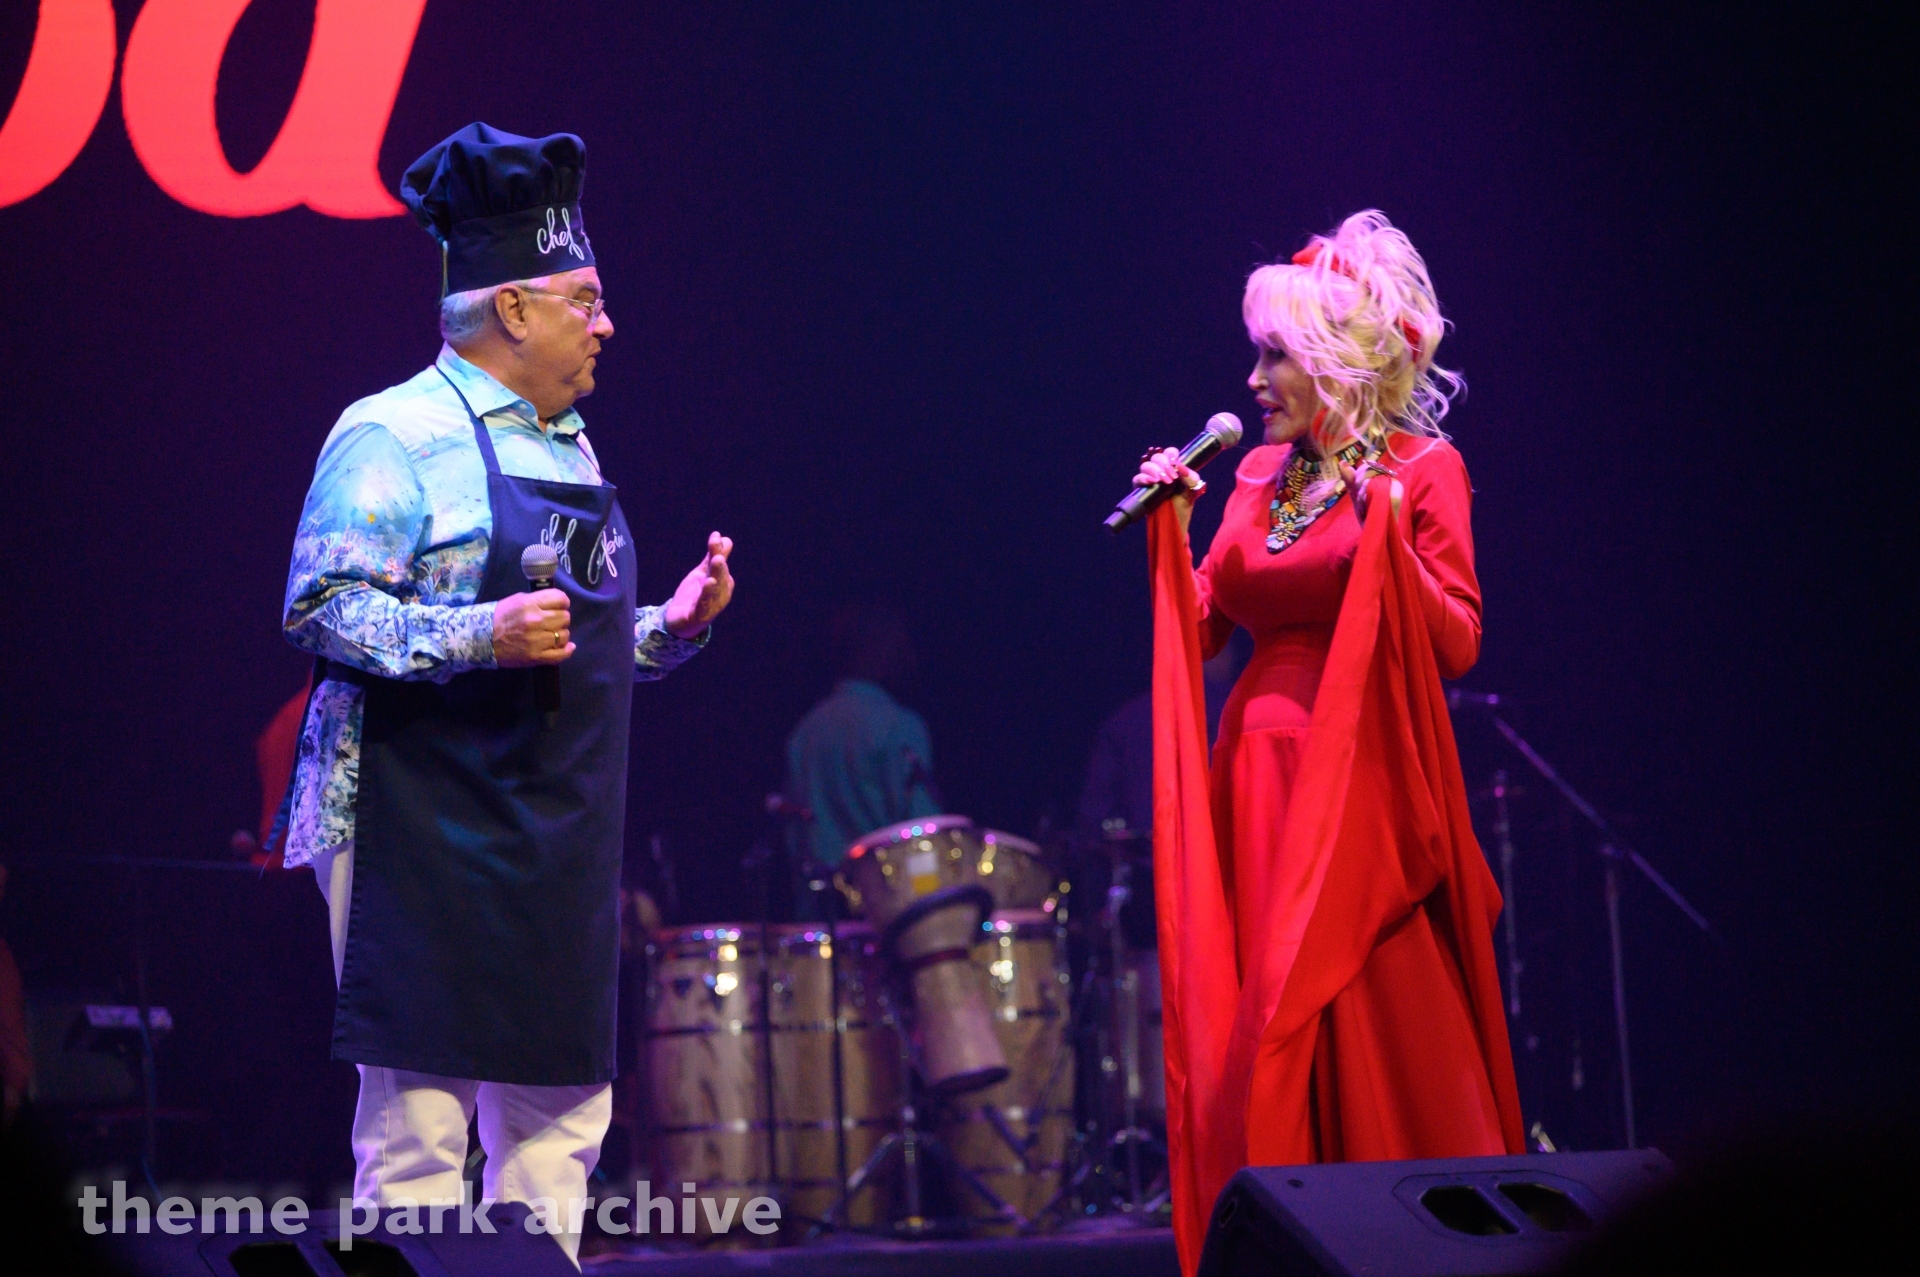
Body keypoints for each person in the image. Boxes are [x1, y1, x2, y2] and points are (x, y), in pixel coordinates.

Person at [275, 123, 735, 1262]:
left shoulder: (572, 448)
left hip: (548, 823)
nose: (607, 324)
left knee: (561, 1117)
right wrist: (478, 631)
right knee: (421, 1128)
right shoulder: (391, 433)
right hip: (413, 816)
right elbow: (321, 606)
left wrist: (670, 626)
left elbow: (568, 644)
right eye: (587, 301)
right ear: (515, 309)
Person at [1134, 211, 1521, 1272]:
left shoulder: (1422, 468)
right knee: (1267, 1016)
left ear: (1332, 362)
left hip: (1361, 775)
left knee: (1370, 1002)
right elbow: (1207, 625)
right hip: (1257, 774)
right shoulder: (1257, 475)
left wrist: (1386, 528)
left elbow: (1458, 642)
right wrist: (1171, 531)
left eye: (1273, 356)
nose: (1253, 378)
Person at [784, 604, 941, 917]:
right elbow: (923, 834)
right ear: (875, 649)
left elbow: (794, 838)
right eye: (899, 645)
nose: (909, 657)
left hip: (821, 917)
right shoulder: (899, 724)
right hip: (887, 914)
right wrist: (931, 911)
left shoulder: (805, 731)